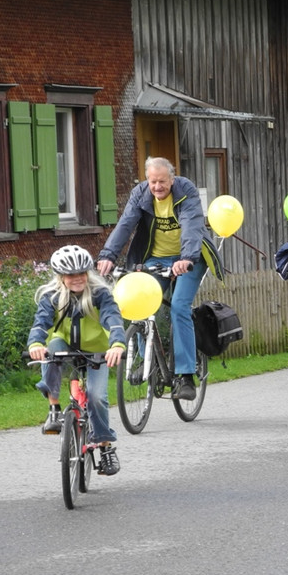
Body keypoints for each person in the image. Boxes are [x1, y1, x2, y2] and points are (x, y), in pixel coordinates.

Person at [97, 157, 223, 401]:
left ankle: (186, 376)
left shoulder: (186, 192)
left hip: (190, 257)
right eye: (153, 181)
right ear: (147, 180)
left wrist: (186, 258)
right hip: (155, 258)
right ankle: (147, 362)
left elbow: (191, 225)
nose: (157, 186)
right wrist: (108, 255)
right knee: (140, 305)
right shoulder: (140, 194)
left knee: (178, 306)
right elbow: (125, 224)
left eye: (162, 181)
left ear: (172, 179)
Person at [27, 245, 125, 475]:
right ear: (61, 277)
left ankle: (105, 447)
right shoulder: (51, 297)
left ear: (88, 273)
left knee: (96, 397)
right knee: (51, 350)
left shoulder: (100, 294)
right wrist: (35, 344)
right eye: (71, 275)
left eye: (81, 273)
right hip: (65, 346)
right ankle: (54, 409)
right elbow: (41, 323)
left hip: (97, 352)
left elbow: (113, 318)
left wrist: (117, 344)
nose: (77, 279)